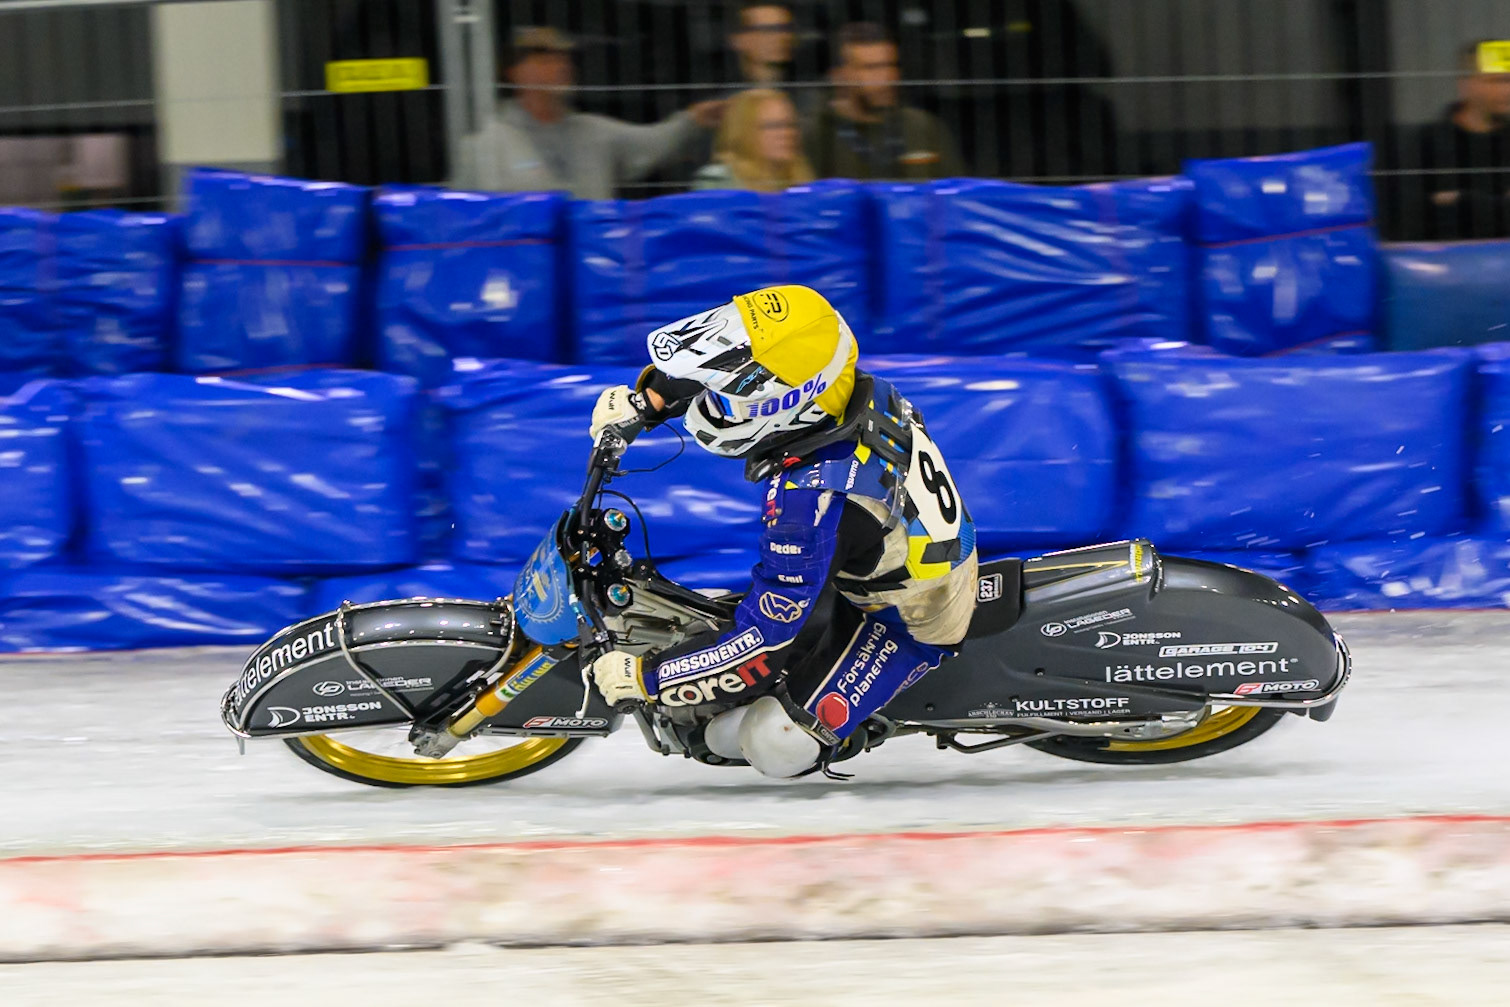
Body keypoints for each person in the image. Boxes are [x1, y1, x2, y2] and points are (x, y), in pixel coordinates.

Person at [585, 285, 979, 778]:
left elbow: (762, 643)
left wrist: (649, 678)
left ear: (788, 406)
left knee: (770, 741)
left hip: (912, 617)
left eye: (731, 400)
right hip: (890, 554)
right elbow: (740, 361)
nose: (715, 404)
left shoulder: (811, 504)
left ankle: (835, 729)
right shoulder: (846, 386)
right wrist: (651, 400)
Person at [452, 27, 723, 200]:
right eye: (545, 60)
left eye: (563, 59)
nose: (561, 66)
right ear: (514, 72)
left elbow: (651, 144)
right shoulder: (487, 146)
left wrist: (693, 120)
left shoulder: (593, 132)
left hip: (591, 267)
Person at [805, 22, 965, 181]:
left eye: (891, 65)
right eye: (872, 68)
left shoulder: (922, 127)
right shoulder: (816, 136)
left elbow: (958, 190)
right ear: (838, 76)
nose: (887, 77)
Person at [1403, 40, 1510, 239]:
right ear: (1466, 84)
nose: (1507, 90)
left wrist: (1461, 199)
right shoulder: (1426, 143)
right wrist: (1499, 205)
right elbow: (1412, 218)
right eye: (1495, 81)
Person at [693, 89, 815, 191]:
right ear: (743, 132)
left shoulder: (800, 177)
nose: (787, 133)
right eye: (772, 126)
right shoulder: (717, 181)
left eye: (791, 125)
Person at [729, 2, 796, 87]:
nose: (782, 37)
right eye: (767, 30)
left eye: (786, 29)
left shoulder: (807, 87)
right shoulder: (721, 90)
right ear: (738, 39)